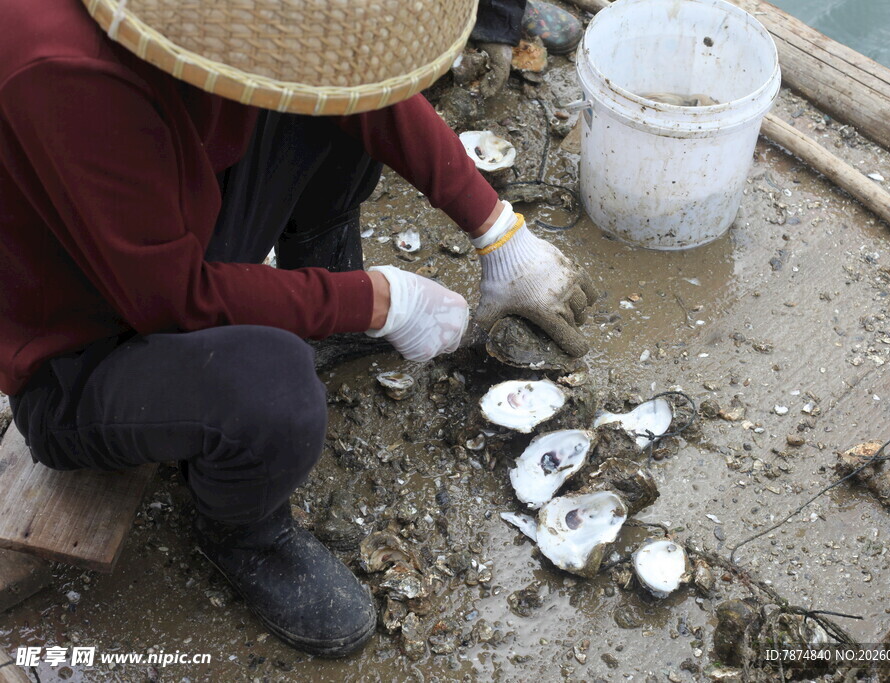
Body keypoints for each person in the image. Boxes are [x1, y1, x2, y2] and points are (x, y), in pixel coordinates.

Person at [0, 0, 597, 658]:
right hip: (82, 353)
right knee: (273, 389)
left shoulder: (227, 25)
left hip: (173, 225)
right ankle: (243, 534)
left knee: (336, 97)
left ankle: (323, 284)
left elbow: (359, 83)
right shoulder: (62, 66)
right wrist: (379, 300)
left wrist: (498, 230)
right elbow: (171, 302)